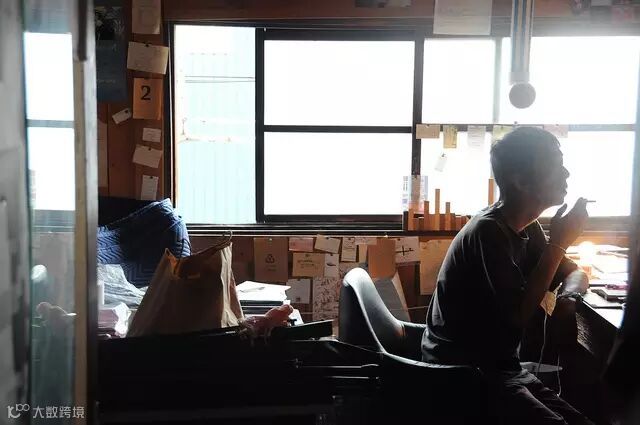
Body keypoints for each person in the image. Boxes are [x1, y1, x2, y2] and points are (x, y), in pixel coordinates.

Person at [421, 127, 594, 425]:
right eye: (555, 165)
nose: (566, 173)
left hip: (502, 367)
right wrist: (559, 243)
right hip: (462, 373)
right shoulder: (488, 232)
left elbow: (574, 272)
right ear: (521, 181)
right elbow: (516, 318)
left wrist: (567, 298)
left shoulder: (527, 226)